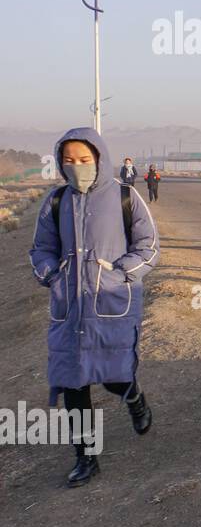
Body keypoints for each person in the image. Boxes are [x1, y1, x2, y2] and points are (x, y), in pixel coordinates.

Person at [29, 127, 158, 487]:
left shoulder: (124, 196)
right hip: (68, 307)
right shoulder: (56, 202)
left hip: (110, 302)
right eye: (69, 161)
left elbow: (148, 246)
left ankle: (133, 397)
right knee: (74, 384)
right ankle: (85, 457)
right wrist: (52, 275)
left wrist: (119, 274)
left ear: (99, 159)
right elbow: (41, 248)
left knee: (114, 375)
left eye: (84, 160)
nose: (77, 166)